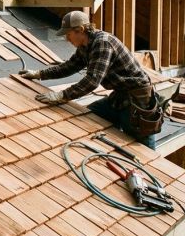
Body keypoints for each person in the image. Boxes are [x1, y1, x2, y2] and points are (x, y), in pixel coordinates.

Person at [19, 10, 163, 143]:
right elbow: (70, 66)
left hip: (137, 101)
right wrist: (39, 74)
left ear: (80, 30)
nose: (67, 39)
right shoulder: (85, 45)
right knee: (90, 115)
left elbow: (92, 81)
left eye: (68, 34)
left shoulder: (102, 43)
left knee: (140, 145)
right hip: (120, 96)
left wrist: (62, 95)